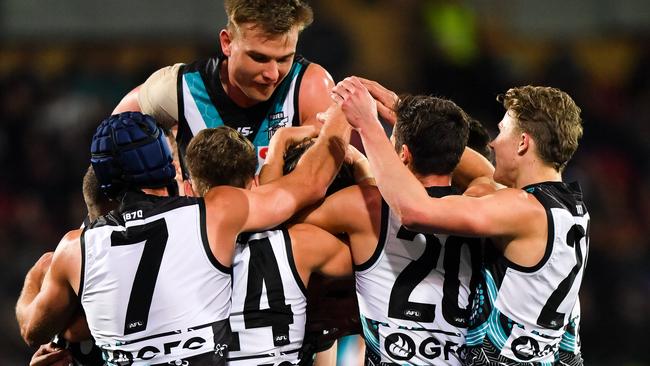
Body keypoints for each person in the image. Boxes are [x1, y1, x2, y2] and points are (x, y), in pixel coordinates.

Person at [16, 107, 349, 365]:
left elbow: (32, 330)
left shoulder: (75, 249)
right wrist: (341, 114)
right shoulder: (213, 214)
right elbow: (311, 182)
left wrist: (39, 270)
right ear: (169, 165)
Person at [333, 77, 589, 365]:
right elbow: (482, 172)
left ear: (522, 143)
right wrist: (409, 118)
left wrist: (368, 125)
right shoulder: (567, 208)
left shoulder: (522, 209)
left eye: (502, 131)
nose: (492, 143)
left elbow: (416, 212)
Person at [298, 94, 488, 365]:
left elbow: (288, 216)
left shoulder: (365, 205)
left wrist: (340, 129)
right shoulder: (484, 209)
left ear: (403, 153)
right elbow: (486, 173)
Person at [113, 0, 334, 171]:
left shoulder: (311, 86)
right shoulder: (177, 89)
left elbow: (316, 186)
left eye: (285, 59)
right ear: (227, 43)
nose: (272, 74)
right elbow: (108, 147)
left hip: (286, 227)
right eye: (259, 58)